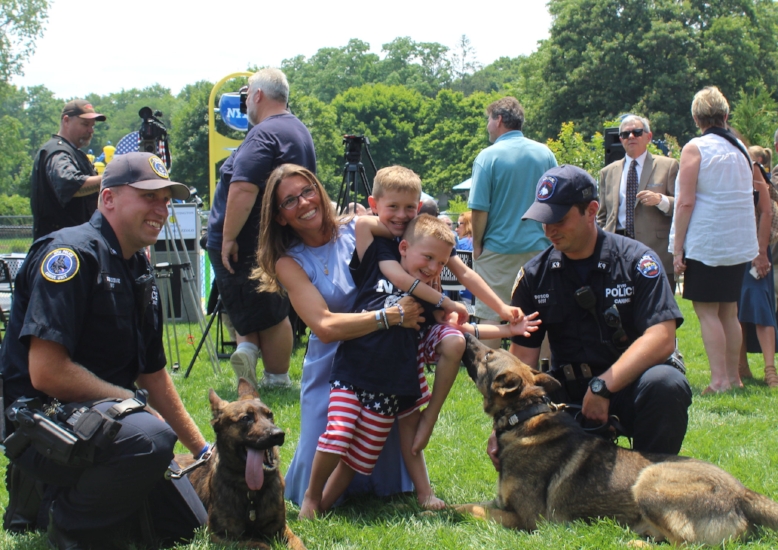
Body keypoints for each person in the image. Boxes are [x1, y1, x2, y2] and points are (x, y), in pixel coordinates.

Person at [1, 152, 208, 548]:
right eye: (148, 196)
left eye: (166, 199)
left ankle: (52, 498)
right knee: (149, 438)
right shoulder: (71, 256)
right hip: (39, 422)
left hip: (102, 421)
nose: (161, 208)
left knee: (188, 523)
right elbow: (47, 373)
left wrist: (203, 450)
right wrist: (132, 403)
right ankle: (70, 528)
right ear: (108, 199)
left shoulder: (139, 269)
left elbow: (152, 373)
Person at [298, 214, 539, 518]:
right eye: (427, 257)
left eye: (440, 263)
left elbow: (463, 330)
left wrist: (506, 329)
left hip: (392, 387)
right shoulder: (378, 263)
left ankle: (323, 507)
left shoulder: (428, 299)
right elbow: (363, 225)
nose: (433, 268)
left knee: (358, 460)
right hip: (352, 373)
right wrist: (405, 221)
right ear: (403, 248)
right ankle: (311, 497)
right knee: (339, 433)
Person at [253, 164, 425, 507]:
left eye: (307, 191)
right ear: (281, 217)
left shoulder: (358, 228)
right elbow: (325, 327)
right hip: (331, 368)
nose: (303, 202)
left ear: (319, 189)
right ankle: (316, 499)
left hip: (383, 358)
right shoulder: (289, 262)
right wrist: (389, 317)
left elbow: (414, 230)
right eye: (289, 201)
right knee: (329, 440)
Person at [508, 164, 691, 455]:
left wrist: (603, 386)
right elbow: (522, 366)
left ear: (592, 211)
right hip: (567, 395)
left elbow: (662, 337)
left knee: (666, 384)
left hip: (627, 385)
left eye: (559, 219)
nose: (549, 230)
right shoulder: (535, 276)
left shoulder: (636, 261)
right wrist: (506, 427)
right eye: (544, 220)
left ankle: (655, 479)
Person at [206, 67, 316, 389]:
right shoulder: (297, 130)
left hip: (248, 240)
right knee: (258, 307)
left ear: (257, 95)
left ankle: (275, 377)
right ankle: (248, 352)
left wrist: (227, 237)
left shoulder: (263, 133)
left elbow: (243, 187)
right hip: (269, 239)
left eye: (247, 96)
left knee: (269, 311)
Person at [669, 86, 759, 394]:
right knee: (728, 311)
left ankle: (719, 380)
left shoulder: (695, 148)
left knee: (707, 312)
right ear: (726, 115)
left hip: (708, 242)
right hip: (737, 242)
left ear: (697, 118)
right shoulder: (742, 149)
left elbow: (685, 202)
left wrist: (677, 247)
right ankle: (734, 377)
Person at [468, 96, 558, 348]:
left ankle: (491, 378)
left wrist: (477, 245)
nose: (487, 125)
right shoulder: (545, 153)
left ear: (498, 119)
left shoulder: (487, 157)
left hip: (498, 251)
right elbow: (555, 200)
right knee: (544, 314)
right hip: (540, 249)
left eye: (488, 119)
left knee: (490, 316)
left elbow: (479, 208)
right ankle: (547, 379)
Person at [597, 115, 679, 290]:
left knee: (658, 310)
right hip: (617, 250)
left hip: (656, 250)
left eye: (637, 132)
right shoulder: (607, 172)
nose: (631, 137)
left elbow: (681, 205)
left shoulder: (668, 166)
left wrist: (660, 200)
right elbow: (602, 216)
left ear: (648, 137)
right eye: (626, 134)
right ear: (621, 140)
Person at [30, 99, 106, 240]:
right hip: (59, 248)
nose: (90, 130)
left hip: (74, 243)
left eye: (92, 126)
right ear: (66, 121)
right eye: (85, 124)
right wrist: (111, 178)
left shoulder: (72, 152)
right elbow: (69, 184)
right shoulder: (58, 152)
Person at [738, 149, 778, 387]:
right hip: (733, 254)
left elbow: (769, 212)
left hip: (756, 255)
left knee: (762, 309)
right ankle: (741, 366)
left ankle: (770, 369)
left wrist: (761, 252)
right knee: (736, 311)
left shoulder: (755, 173)